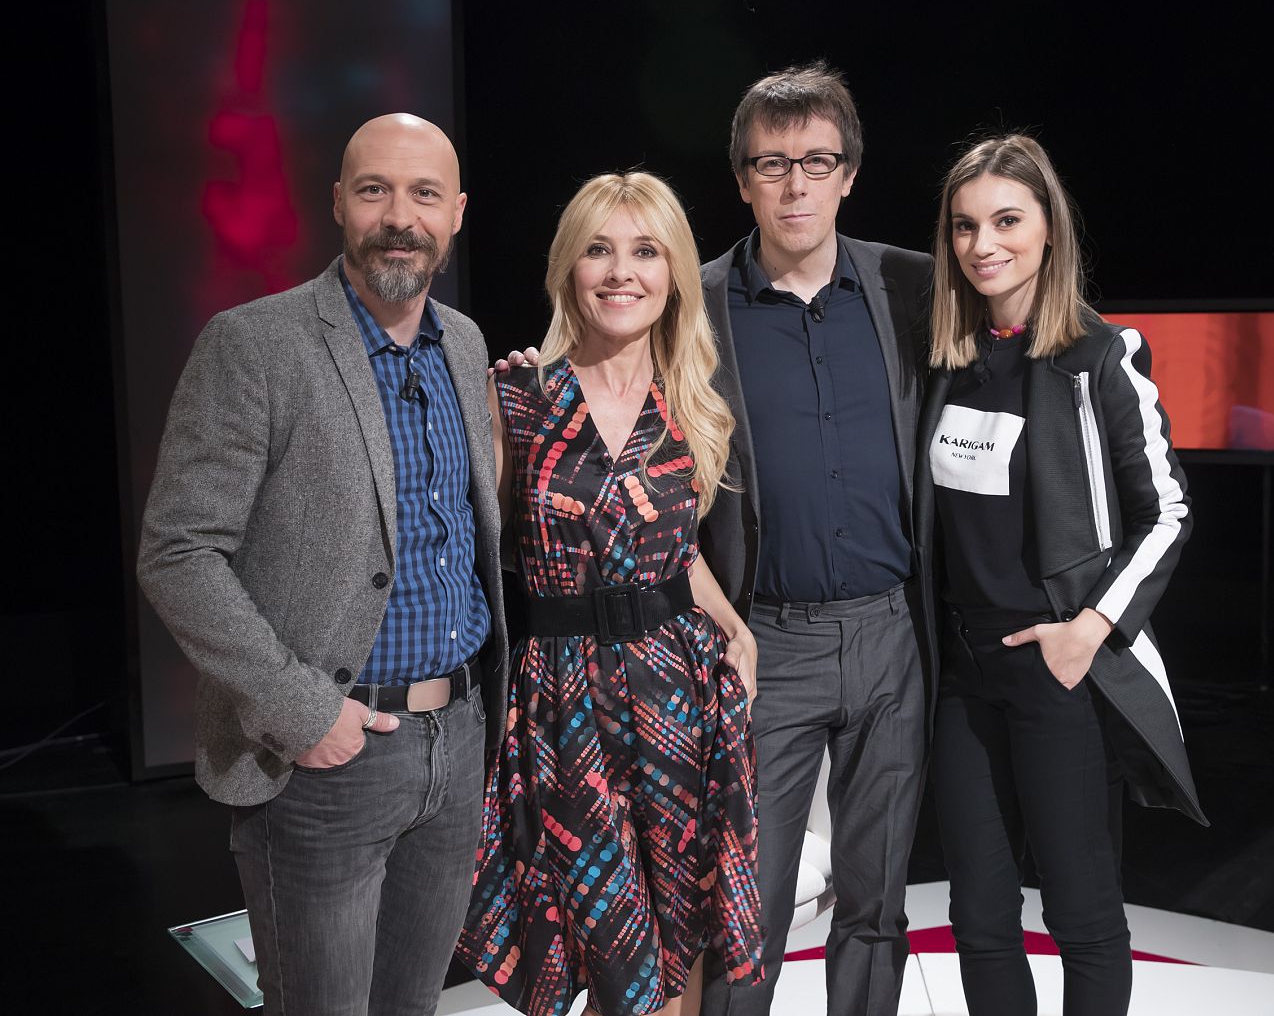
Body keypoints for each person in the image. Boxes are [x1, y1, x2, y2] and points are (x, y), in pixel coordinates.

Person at [138, 113, 509, 1016]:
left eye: (425, 194)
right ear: (338, 201)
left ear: (456, 213)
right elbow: (178, 550)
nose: (400, 215)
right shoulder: (254, 345)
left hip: (455, 746)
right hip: (327, 757)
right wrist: (306, 712)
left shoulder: (463, 343)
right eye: (375, 189)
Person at [913, 134, 1208, 1016]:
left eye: (1007, 219)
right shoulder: (947, 361)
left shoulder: (1101, 356)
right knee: (979, 915)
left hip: (1057, 672)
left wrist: (1091, 629)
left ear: (1049, 229)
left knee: (1081, 915)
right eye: (965, 226)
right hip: (965, 675)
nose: (983, 244)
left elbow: (1172, 512)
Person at [458, 171, 763, 1016]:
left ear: (672, 274)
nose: (621, 271)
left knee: (679, 931)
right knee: (599, 941)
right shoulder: (516, 394)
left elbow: (674, 553)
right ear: (568, 269)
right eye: (598, 249)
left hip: (680, 695)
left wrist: (733, 626)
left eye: (644, 250)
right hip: (565, 705)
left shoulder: (694, 403)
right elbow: (480, 553)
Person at [695, 62, 936, 1016]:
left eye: (816, 161)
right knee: (746, 909)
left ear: (849, 174)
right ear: (743, 178)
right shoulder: (698, 302)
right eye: (773, 163)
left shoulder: (908, 287)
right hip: (767, 643)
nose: (795, 183)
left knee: (875, 904)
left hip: (892, 638)